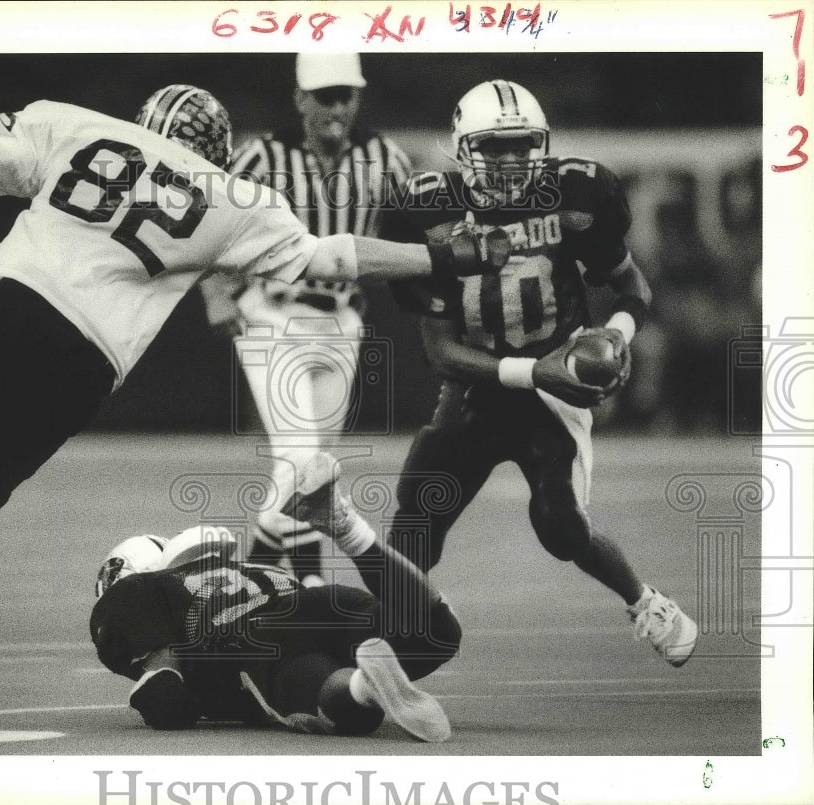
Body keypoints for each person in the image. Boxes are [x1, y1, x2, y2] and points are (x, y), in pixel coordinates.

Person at [0, 84, 499, 673]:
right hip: (91, 367)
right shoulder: (236, 198)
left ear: (144, 123)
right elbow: (336, 255)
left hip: (22, 302)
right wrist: (444, 255)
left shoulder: (73, 125)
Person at [380, 79, 699, 667]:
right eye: (493, 147)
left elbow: (634, 288)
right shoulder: (430, 212)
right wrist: (535, 371)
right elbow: (442, 352)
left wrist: (616, 335)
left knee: (560, 526)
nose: (510, 160)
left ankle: (647, 602)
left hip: (555, 391)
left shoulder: (576, 194)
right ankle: (387, 640)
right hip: (478, 384)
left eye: (521, 145)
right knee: (415, 523)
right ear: (463, 148)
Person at [198, 54, 413, 588]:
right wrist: (215, 294)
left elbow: (413, 229)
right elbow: (206, 221)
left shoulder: (386, 157)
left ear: (358, 98)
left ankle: (247, 587)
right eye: (324, 96)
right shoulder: (262, 155)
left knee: (306, 469)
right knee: (300, 462)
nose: (336, 108)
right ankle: (311, 588)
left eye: (345, 95)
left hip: (341, 321)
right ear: (300, 99)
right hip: (273, 316)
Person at [90, 453, 461, 741]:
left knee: (345, 708)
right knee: (437, 633)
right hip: (316, 603)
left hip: (261, 642)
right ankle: (350, 531)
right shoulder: (238, 568)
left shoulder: (143, 593)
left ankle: (364, 688)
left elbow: (168, 698)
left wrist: (154, 693)